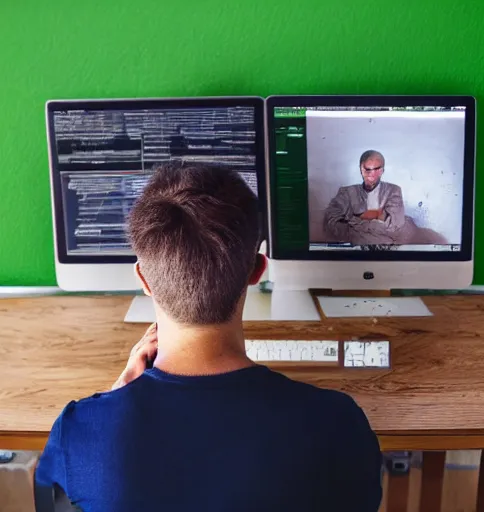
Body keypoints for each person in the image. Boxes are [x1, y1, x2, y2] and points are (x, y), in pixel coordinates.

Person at [35, 162, 382, 512]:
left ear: (143, 279)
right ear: (257, 270)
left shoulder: (78, 433)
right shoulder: (338, 424)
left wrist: (112, 405)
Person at [323, 150, 447, 247]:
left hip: (394, 252)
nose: (372, 174)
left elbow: (395, 226)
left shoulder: (393, 190)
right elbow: (331, 224)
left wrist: (354, 219)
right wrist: (377, 216)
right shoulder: (346, 193)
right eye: (367, 169)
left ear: (383, 170)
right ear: (361, 169)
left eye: (377, 169)